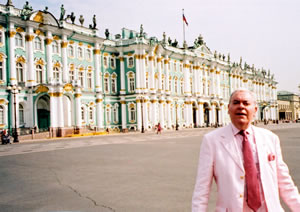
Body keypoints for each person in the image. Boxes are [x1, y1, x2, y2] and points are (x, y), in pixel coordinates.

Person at [192, 88, 300, 212]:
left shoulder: (270, 138)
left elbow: (285, 183)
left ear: (255, 110)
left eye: (246, 103)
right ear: (228, 108)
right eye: (236, 102)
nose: (241, 106)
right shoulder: (212, 140)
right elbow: (202, 189)